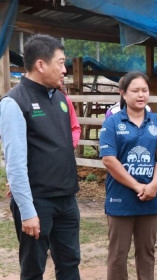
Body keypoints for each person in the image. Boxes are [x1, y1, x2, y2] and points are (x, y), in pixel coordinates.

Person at [0, 34, 81, 279]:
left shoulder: (60, 99)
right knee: (34, 268)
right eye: (61, 63)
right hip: (37, 203)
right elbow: (14, 163)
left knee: (69, 264)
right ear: (41, 65)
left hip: (67, 199)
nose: (65, 70)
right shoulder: (14, 103)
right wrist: (27, 210)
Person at [99, 71, 157, 280]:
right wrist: (138, 187)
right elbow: (109, 160)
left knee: (147, 252)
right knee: (118, 255)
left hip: (150, 198)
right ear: (123, 93)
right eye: (135, 90)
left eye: (145, 90)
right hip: (121, 198)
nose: (141, 95)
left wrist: (154, 185)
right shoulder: (112, 123)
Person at [60, 78, 81, 148]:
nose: (63, 71)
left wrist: (71, 146)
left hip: (63, 152)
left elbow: (75, 127)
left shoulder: (65, 99)